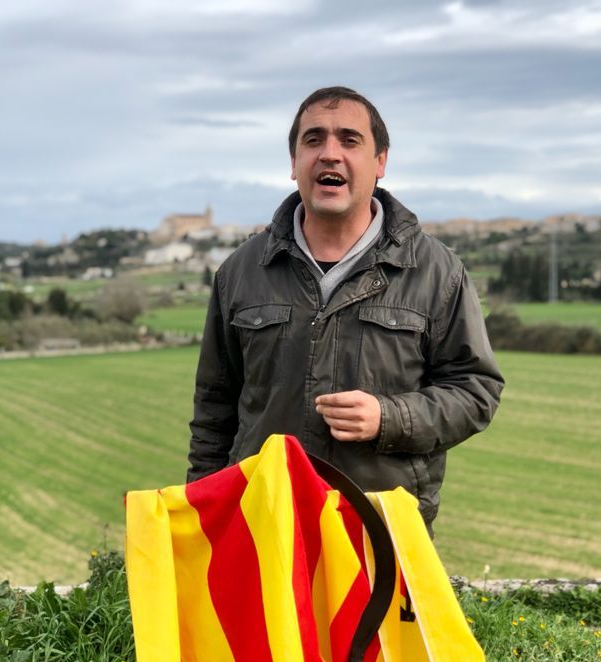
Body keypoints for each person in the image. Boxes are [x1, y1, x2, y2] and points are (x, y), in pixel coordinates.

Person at [187, 85, 504, 531]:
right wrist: (204, 515)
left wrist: (389, 417)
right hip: (264, 530)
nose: (329, 153)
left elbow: (475, 392)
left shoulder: (436, 271)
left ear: (380, 163)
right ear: (294, 163)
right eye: (313, 140)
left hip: (382, 527)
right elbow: (214, 412)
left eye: (349, 140)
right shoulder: (240, 272)